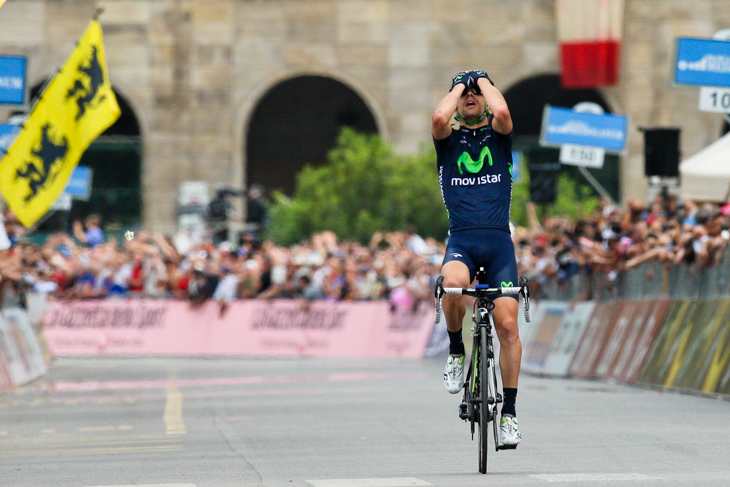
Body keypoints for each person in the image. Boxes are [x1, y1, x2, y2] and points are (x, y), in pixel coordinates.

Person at [432, 69, 522, 446]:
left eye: (476, 93)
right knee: (452, 286)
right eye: (463, 94)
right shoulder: (448, 142)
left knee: (506, 327)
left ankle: (510, 414)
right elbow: (439, 118)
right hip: (463, 242)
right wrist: (458, 84)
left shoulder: (498, 138)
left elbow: (503, 114)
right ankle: (456, 348)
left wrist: (482, 81)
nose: (470, 95)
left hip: (499, 243)